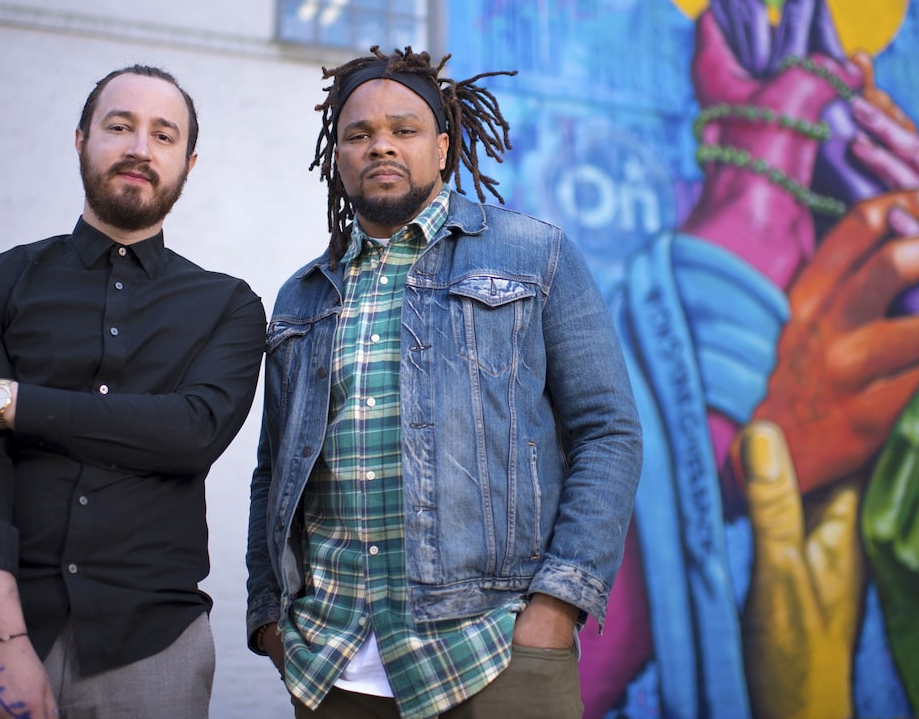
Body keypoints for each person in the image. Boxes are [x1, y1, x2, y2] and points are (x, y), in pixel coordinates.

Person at [245, 47, 643, 718]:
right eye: (359, 134)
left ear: (443, 146)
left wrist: (554, 606)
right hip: (331, 661)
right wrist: (270, 620)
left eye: (403, 129)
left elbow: (608, 433)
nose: (381, 146)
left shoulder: (534, 254)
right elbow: (272, 470)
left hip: (494, 651)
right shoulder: (302, 296)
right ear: (336, 153)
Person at [0, 65, 267, 719]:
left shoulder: (228, 305)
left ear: (188, 161)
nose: (138, 148)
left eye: (163, 134)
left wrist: (6, 403)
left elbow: (192, 431)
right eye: (119, 126)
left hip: (150, 648)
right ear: (80, 140)